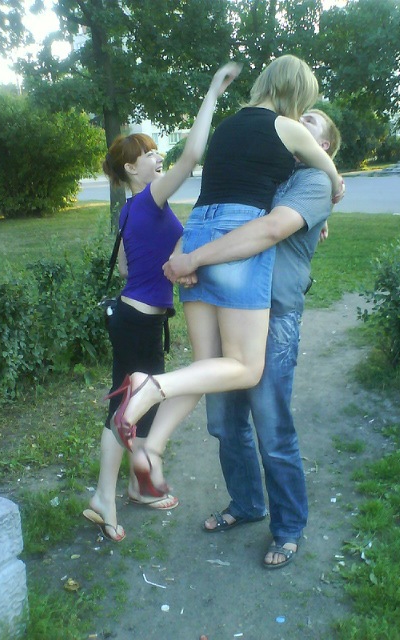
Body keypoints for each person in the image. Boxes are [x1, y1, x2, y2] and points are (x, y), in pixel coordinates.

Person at [111, 56, 345, 498]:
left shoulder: (227, 127)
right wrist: (335, 191)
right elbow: (327, 168)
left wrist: (187, 255)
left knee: (207, 367)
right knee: (245, 367)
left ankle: (152, 449)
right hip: (237, 233)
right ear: (295, 93)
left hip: (198, 229)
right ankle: (150, 386)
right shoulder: (287, 127)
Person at [165, 108, 341, 569]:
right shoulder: (268, 174)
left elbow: (267, 229)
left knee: (272, 428)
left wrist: (195, 258)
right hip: (233, 309)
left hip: (275, 315)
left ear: (322, 147)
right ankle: (246, 504)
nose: (295, 122)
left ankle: (288, 526)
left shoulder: (314, 183)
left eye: (309, 122)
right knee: (224, 422)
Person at [82, 61, 242, 541]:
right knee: (126, 410)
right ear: (131, 169)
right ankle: (105, 497)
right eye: (148, 154)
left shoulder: (131, 211)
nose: (157, 158)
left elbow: (129, 269)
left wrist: (177, 263)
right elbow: (192, 156)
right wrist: (212, 91)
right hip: (139, 320)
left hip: (137, 317)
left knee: (138, 406)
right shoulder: (150, 197)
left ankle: (136, 488)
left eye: (156, 151)